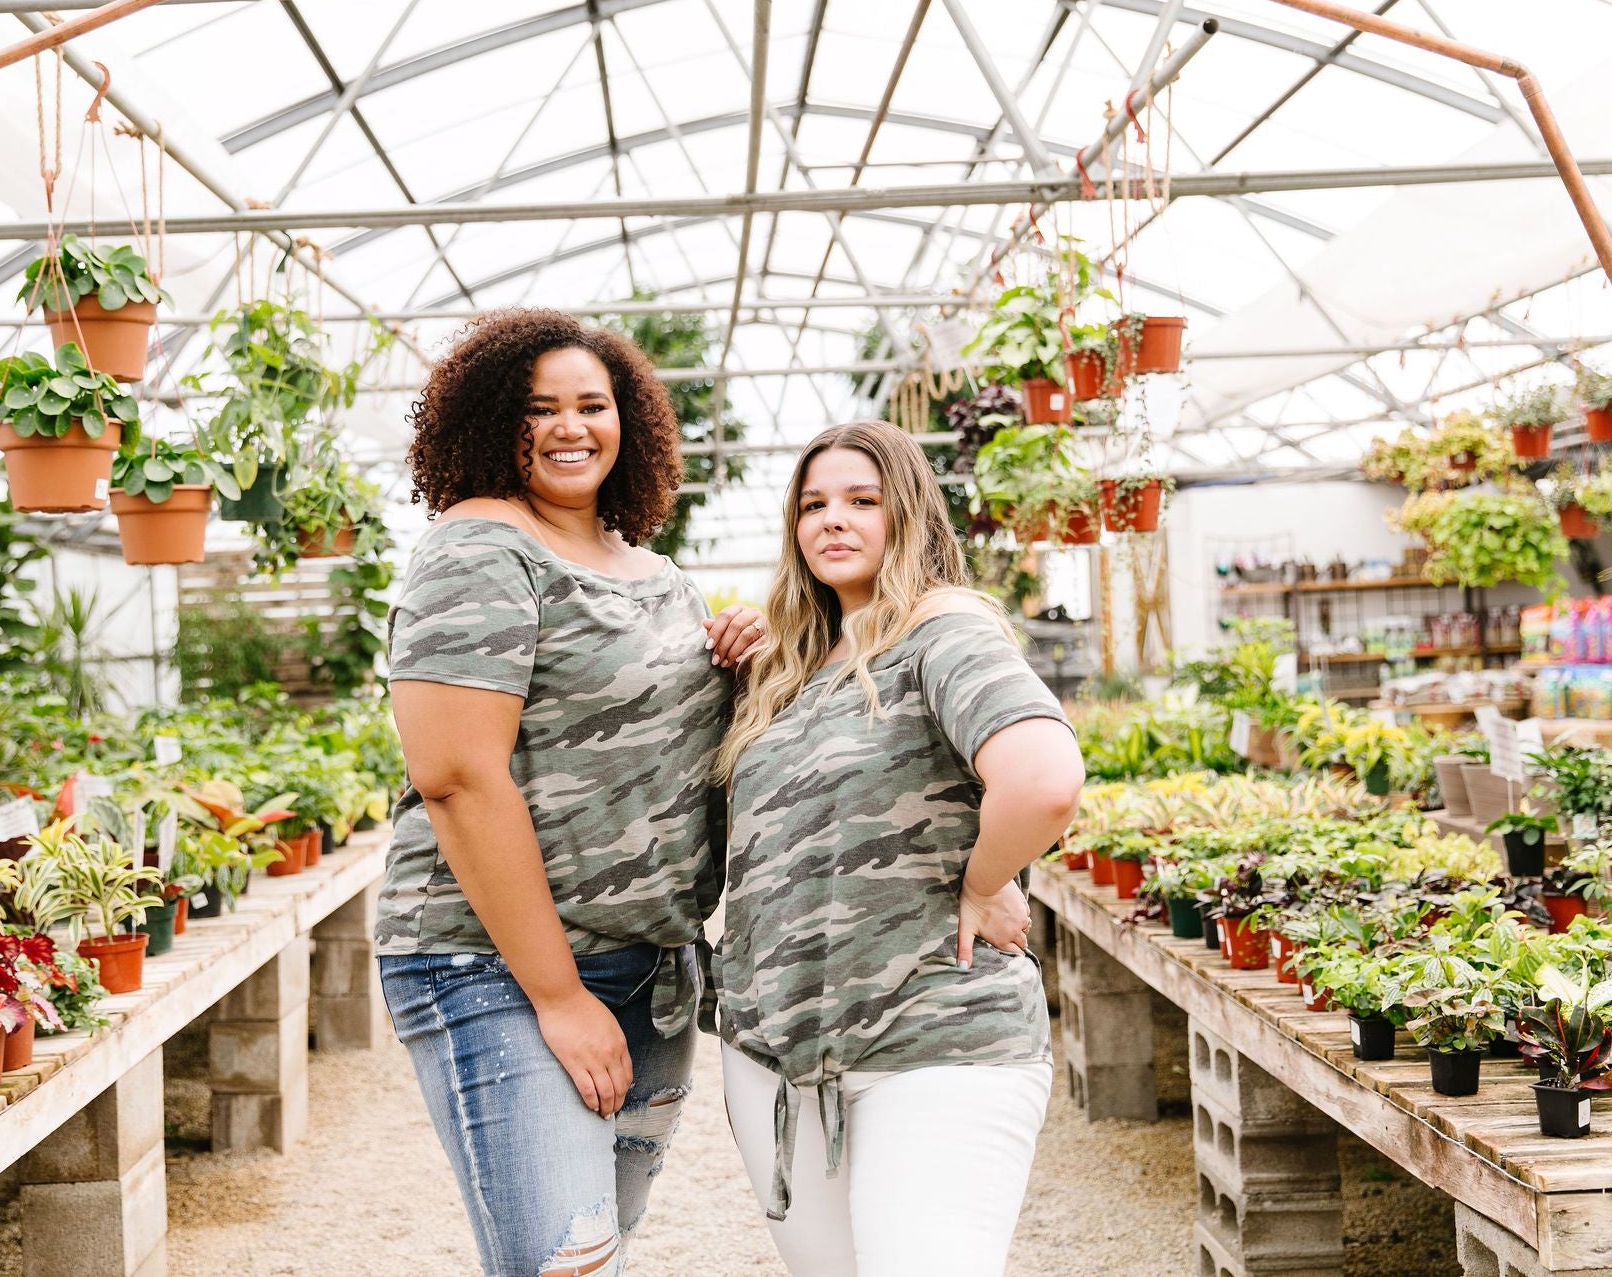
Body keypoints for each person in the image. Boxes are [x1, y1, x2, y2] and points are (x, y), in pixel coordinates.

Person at [377, 309, 761, 1277]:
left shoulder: (655, 573)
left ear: (626, 420)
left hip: (646, 969)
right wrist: (555, 995)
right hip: (500, 969)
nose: (566, 427)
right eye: (536, 409)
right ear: (489, 423)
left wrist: (752, 654)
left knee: (600, 1255)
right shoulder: (480, 550)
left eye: (591, 404)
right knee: (566, 1264)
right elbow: (458, 777)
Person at [712, 419, 1084, 1276]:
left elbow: (1043, 778)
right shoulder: (797, 665)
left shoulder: (939, 630)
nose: (832, 520)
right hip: (783, 1054)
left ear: (908, 514)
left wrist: (985, 881)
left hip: (932, 1041)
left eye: (862, 500)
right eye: (813, 504)